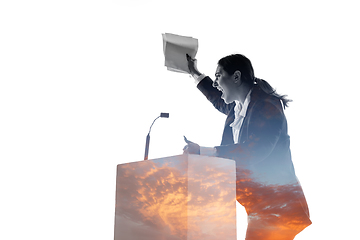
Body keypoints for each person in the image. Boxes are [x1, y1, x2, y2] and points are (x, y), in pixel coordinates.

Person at [183, 53, 312, 240]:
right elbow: (217, 98)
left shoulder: (267, 106)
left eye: (218, 76)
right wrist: (194, 73)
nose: (215, 83)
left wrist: (205, 152)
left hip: (279, 205)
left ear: (236, 77)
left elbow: (254, 150)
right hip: (262, 205)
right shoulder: (239, 106)